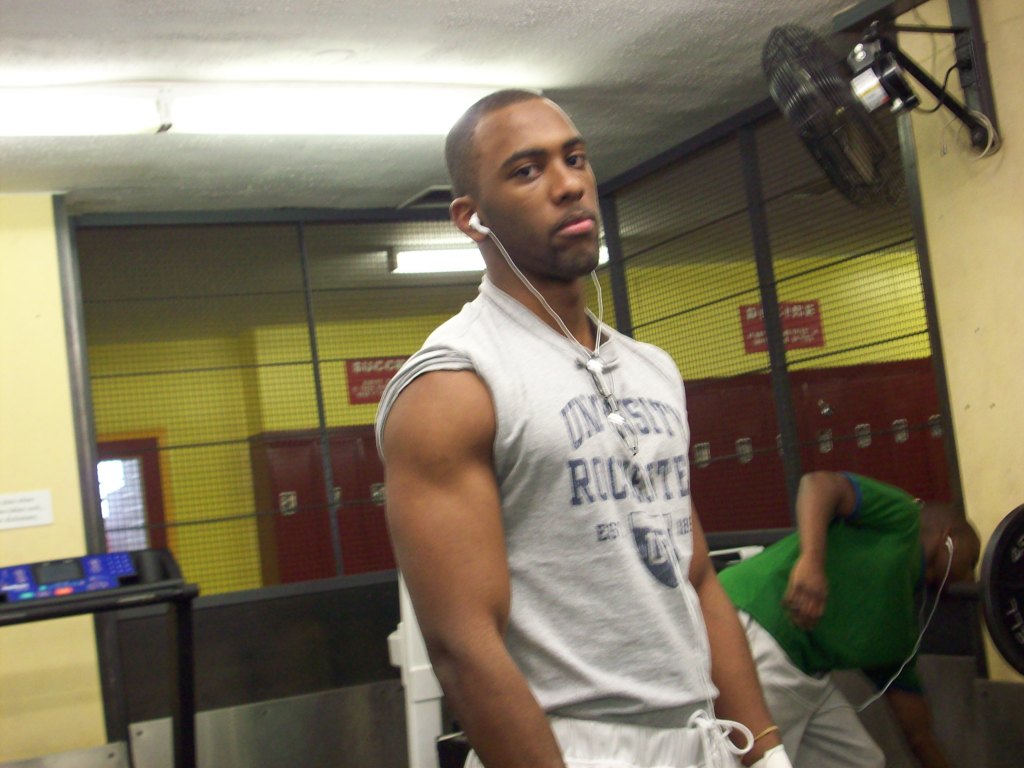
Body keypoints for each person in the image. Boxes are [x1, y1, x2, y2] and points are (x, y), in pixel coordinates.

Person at [375, 89, 791, 768]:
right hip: (569, 744)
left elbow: (694, 576)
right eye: (527, 170)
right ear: (471, 217)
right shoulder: (453, 384)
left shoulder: (652, 369)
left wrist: (767, 754)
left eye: (575, 159)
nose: (569, 184)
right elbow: (463, 646)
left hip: (698, 738)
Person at [718, 471, 981, 768]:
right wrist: (811, 561)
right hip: (758, 623)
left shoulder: (901, 635)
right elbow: (818, 484)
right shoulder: (903, 519)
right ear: (947, 537)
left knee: (863, 761)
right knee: (753, 759)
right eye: (972, 560)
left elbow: (919, 735)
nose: (969, 576)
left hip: (807, 677)